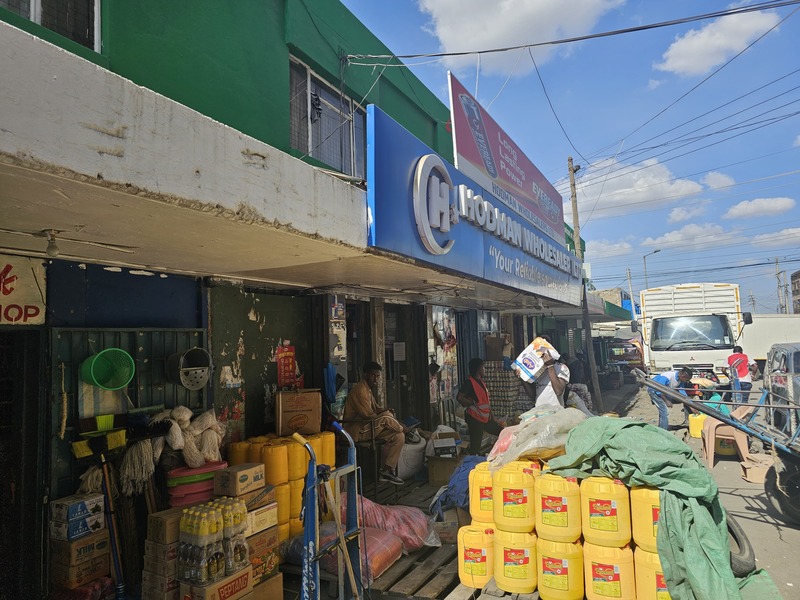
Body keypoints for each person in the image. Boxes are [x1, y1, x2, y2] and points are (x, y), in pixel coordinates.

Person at [342, 361, 407, 485]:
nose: (376, 379)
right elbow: (368, 415)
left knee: (399, 436)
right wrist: (387, 416)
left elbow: (376, 409)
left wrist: (386, 411)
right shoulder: (360, 390)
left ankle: (386, 470)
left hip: (368, 427)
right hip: (356, 431)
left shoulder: (368, 389)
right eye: (373, 376)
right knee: (387, 418)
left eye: (377, 376)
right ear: (365, 374)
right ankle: (403, 428)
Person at [457, 358, 504, 454]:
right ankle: (472, 462)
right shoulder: (469, 382)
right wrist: (470, 403)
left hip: (484, 418)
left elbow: (486, 402)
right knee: (475, 445)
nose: (485, 369)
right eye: (483, 367)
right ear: (479, 369)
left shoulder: (481, 382)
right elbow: (459, 397)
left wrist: (493, 418)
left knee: (501, 431)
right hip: (474, 418)